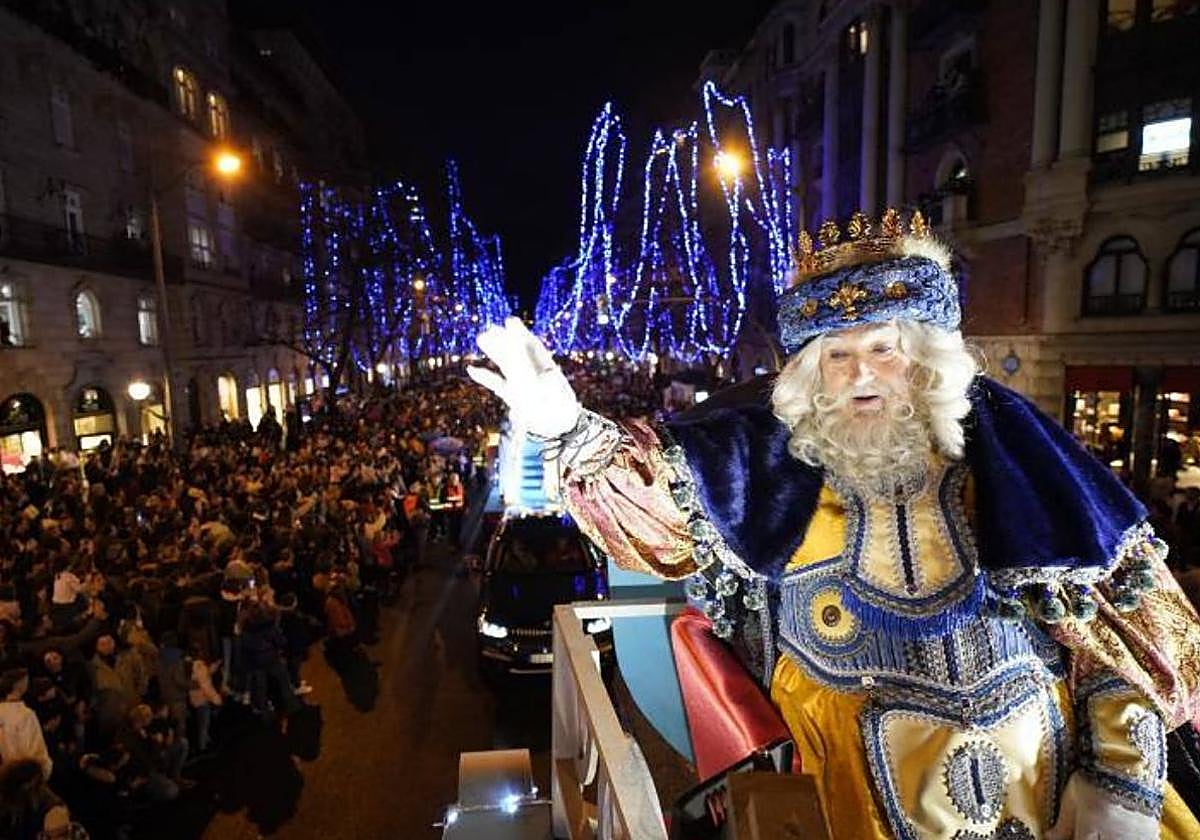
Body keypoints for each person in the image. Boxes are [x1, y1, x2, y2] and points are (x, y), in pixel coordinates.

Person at [470, 210, 1200, 839]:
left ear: (926, 358)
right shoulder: (768, 468)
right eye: (836, 355)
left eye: (883, 348)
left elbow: (1130, 645)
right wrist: (569, 428)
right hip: (848, 782)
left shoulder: (1024, 467)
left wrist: (1118, 780)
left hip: (1049, 778)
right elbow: (659, 507)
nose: (859, 375)